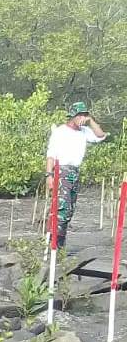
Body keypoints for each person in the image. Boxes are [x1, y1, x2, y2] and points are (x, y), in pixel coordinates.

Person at [45, 101, 106, 248]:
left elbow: (101, 135)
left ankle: (60, 242)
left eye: (84, 116)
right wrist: (49, 175)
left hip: (75, 171)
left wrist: (90, 120)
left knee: (70, 209)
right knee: (62, 208)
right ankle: (53, 243)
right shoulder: (60, 131)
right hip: (62, 170)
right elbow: (51, 155)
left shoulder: (85, 131)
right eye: (80, 116)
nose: (82, 119)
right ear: (73, 116)